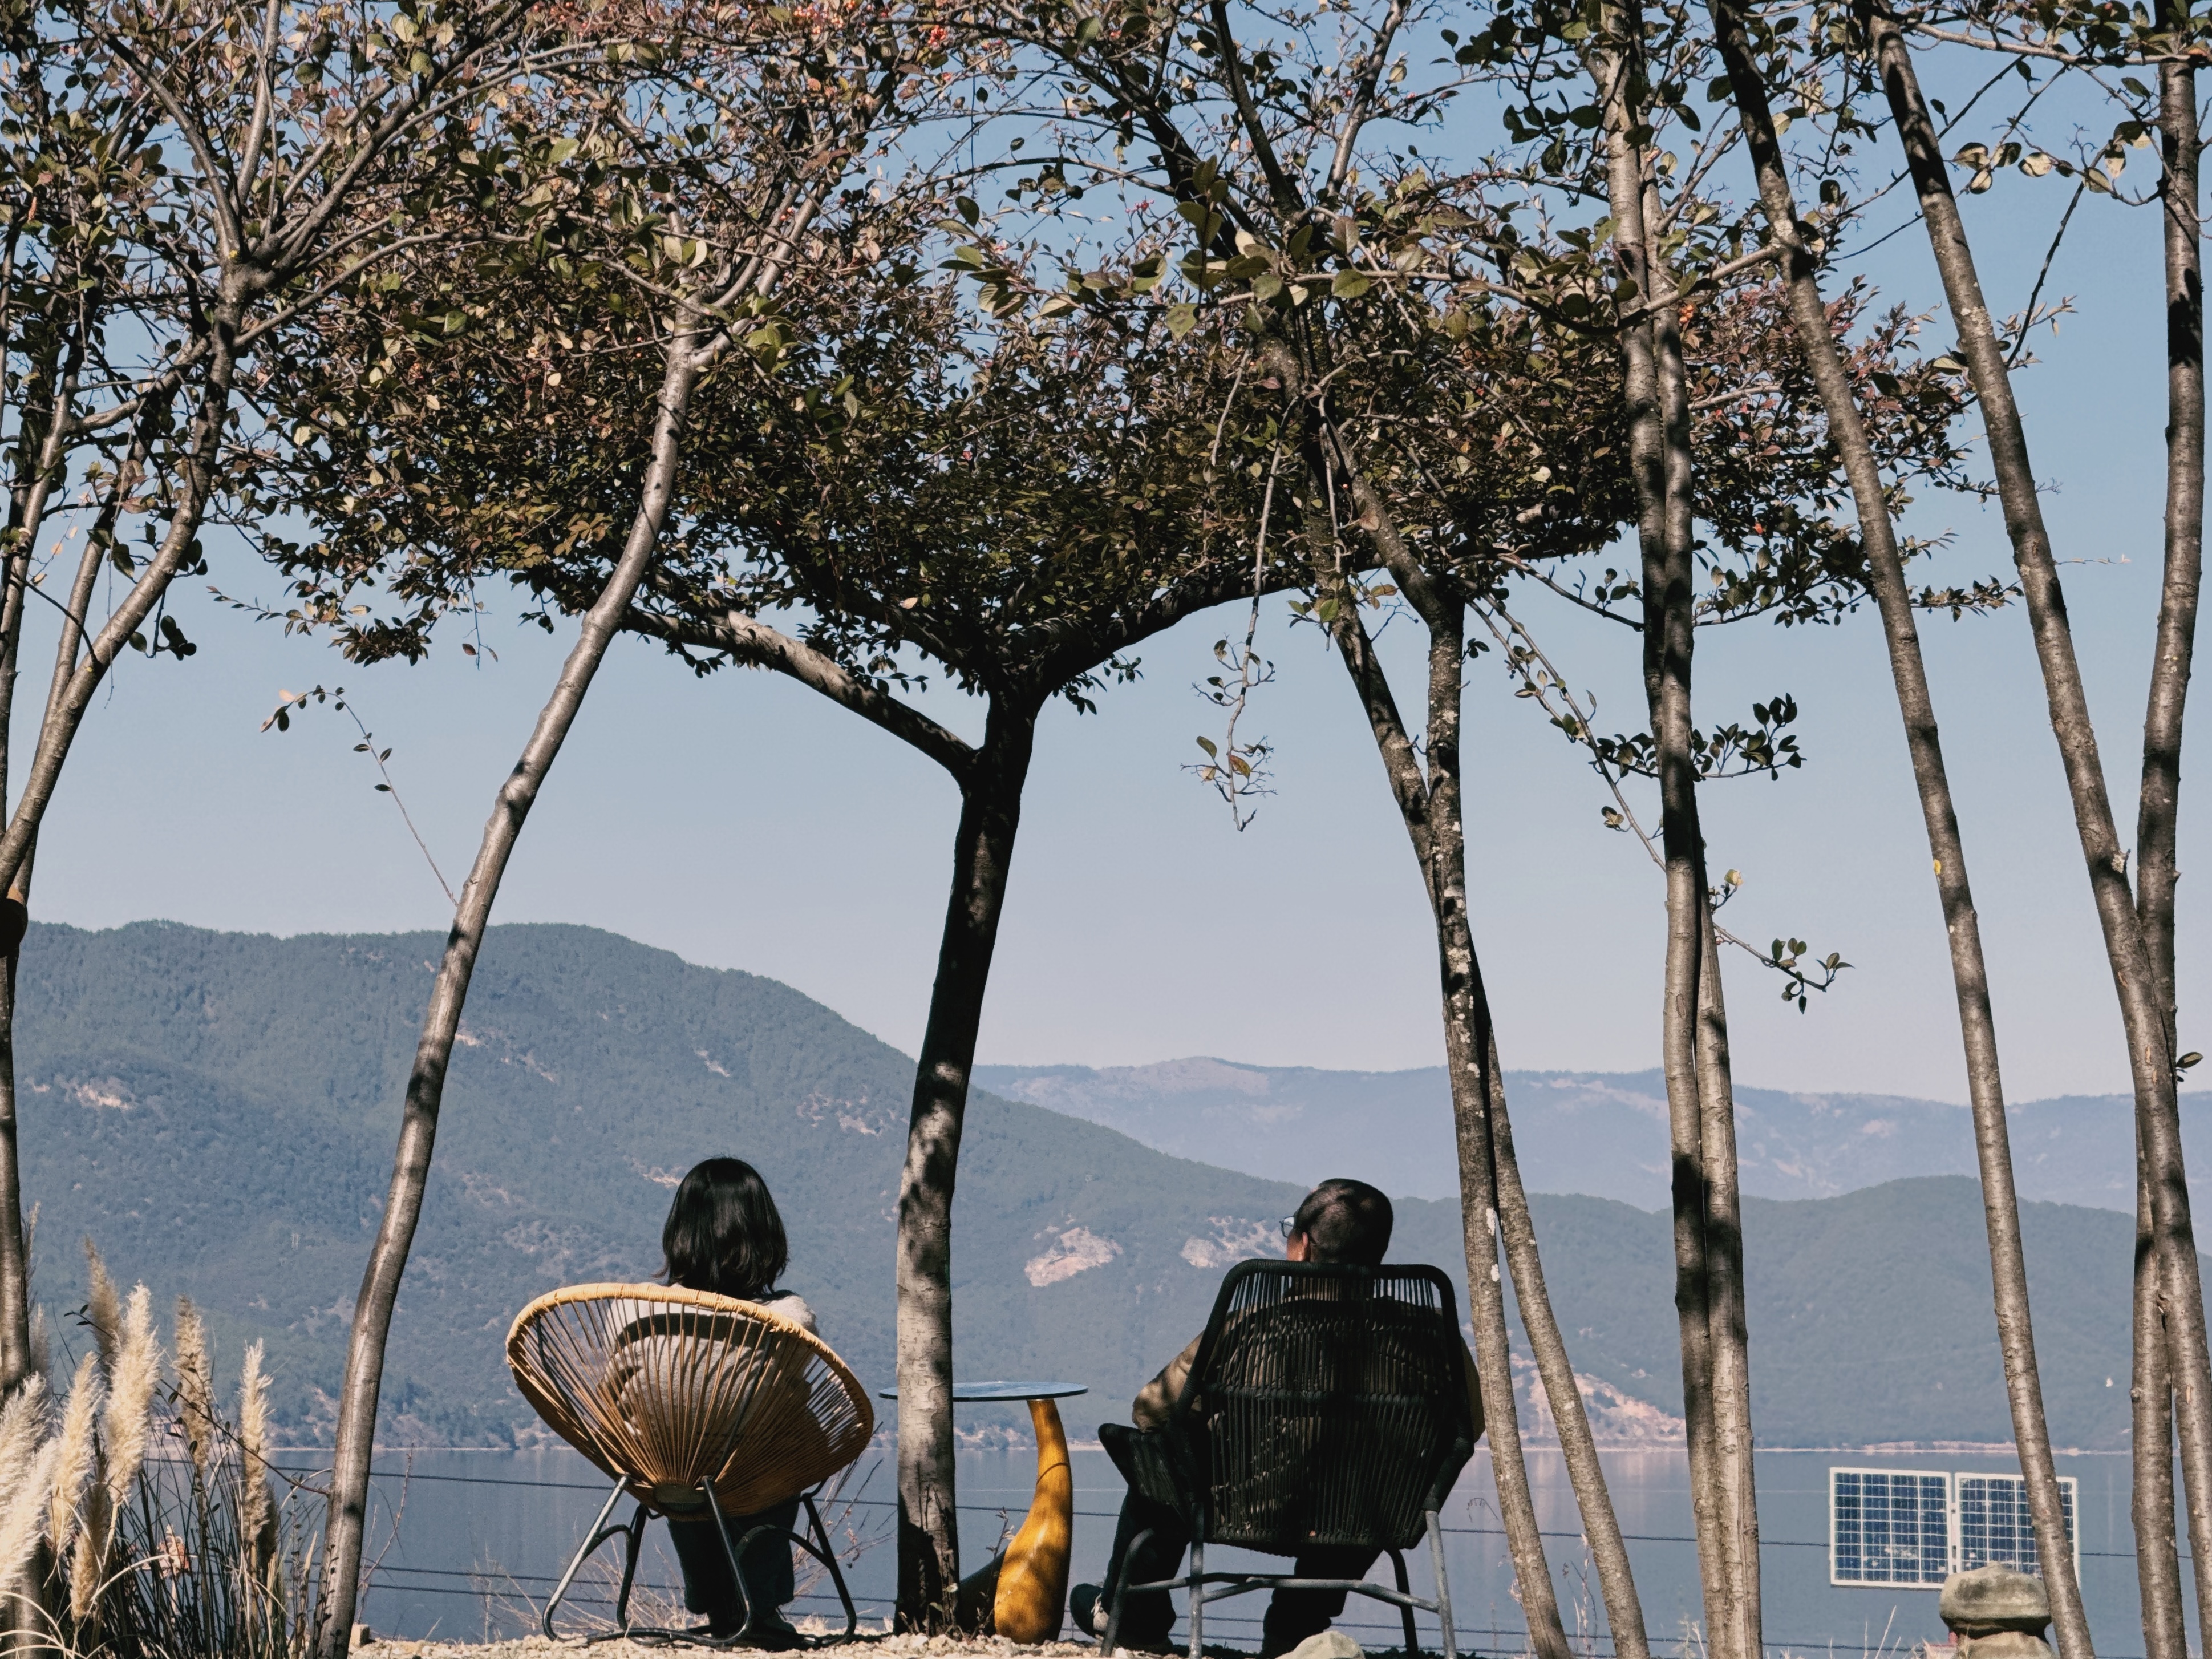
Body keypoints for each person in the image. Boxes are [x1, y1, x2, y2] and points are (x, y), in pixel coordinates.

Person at [1069, 1177, 1486, 1657]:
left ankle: (1131, 1618)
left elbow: (1151, 1411)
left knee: (1154, 1458)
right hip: (1375, 1513)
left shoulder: (1249, 1329)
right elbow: (1467, 1426)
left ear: (1302, 1247)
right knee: (1362, 1473)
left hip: (1243, 1508)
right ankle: (1297, 1628)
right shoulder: (1433, 1341)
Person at [657, 1157, 815, 1649]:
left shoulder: (640, 1310)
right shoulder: (788, 1318)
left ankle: (715, 1599)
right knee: (778, 1444)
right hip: (755, 1477)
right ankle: (756, 1603)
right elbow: (794, 1398)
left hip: (668, 1476)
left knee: (689, 1454)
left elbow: (620, 1397)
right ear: (761, 1234)